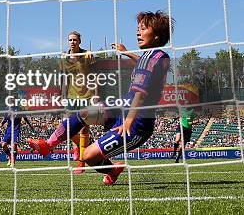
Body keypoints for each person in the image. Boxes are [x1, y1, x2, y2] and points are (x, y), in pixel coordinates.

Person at [30, 11, 173, 185]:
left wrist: (127, 122)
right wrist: (126, 53)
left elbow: (141, 95)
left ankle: (112, 171)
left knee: (88, 156)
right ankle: (48, 145)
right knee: (83, 114)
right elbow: (143, 64)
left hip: (136, 122)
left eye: (143, 29)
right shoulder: (156, 57)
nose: (138, 32)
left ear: (157, 36)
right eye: (138, 28)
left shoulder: (153, 59)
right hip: (122, 106)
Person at [60, 31, 94, 174]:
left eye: (74, 40)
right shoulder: (64, 58)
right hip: (71, 97)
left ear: (79, 41)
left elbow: (94, 76)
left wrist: (96, 95)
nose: (72, 42)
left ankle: (81, 163)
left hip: (86, 96)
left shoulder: (87, 55)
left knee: (84, 129)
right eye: (70, 40)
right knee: (66, 128)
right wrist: (62, 95)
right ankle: (79, 147)